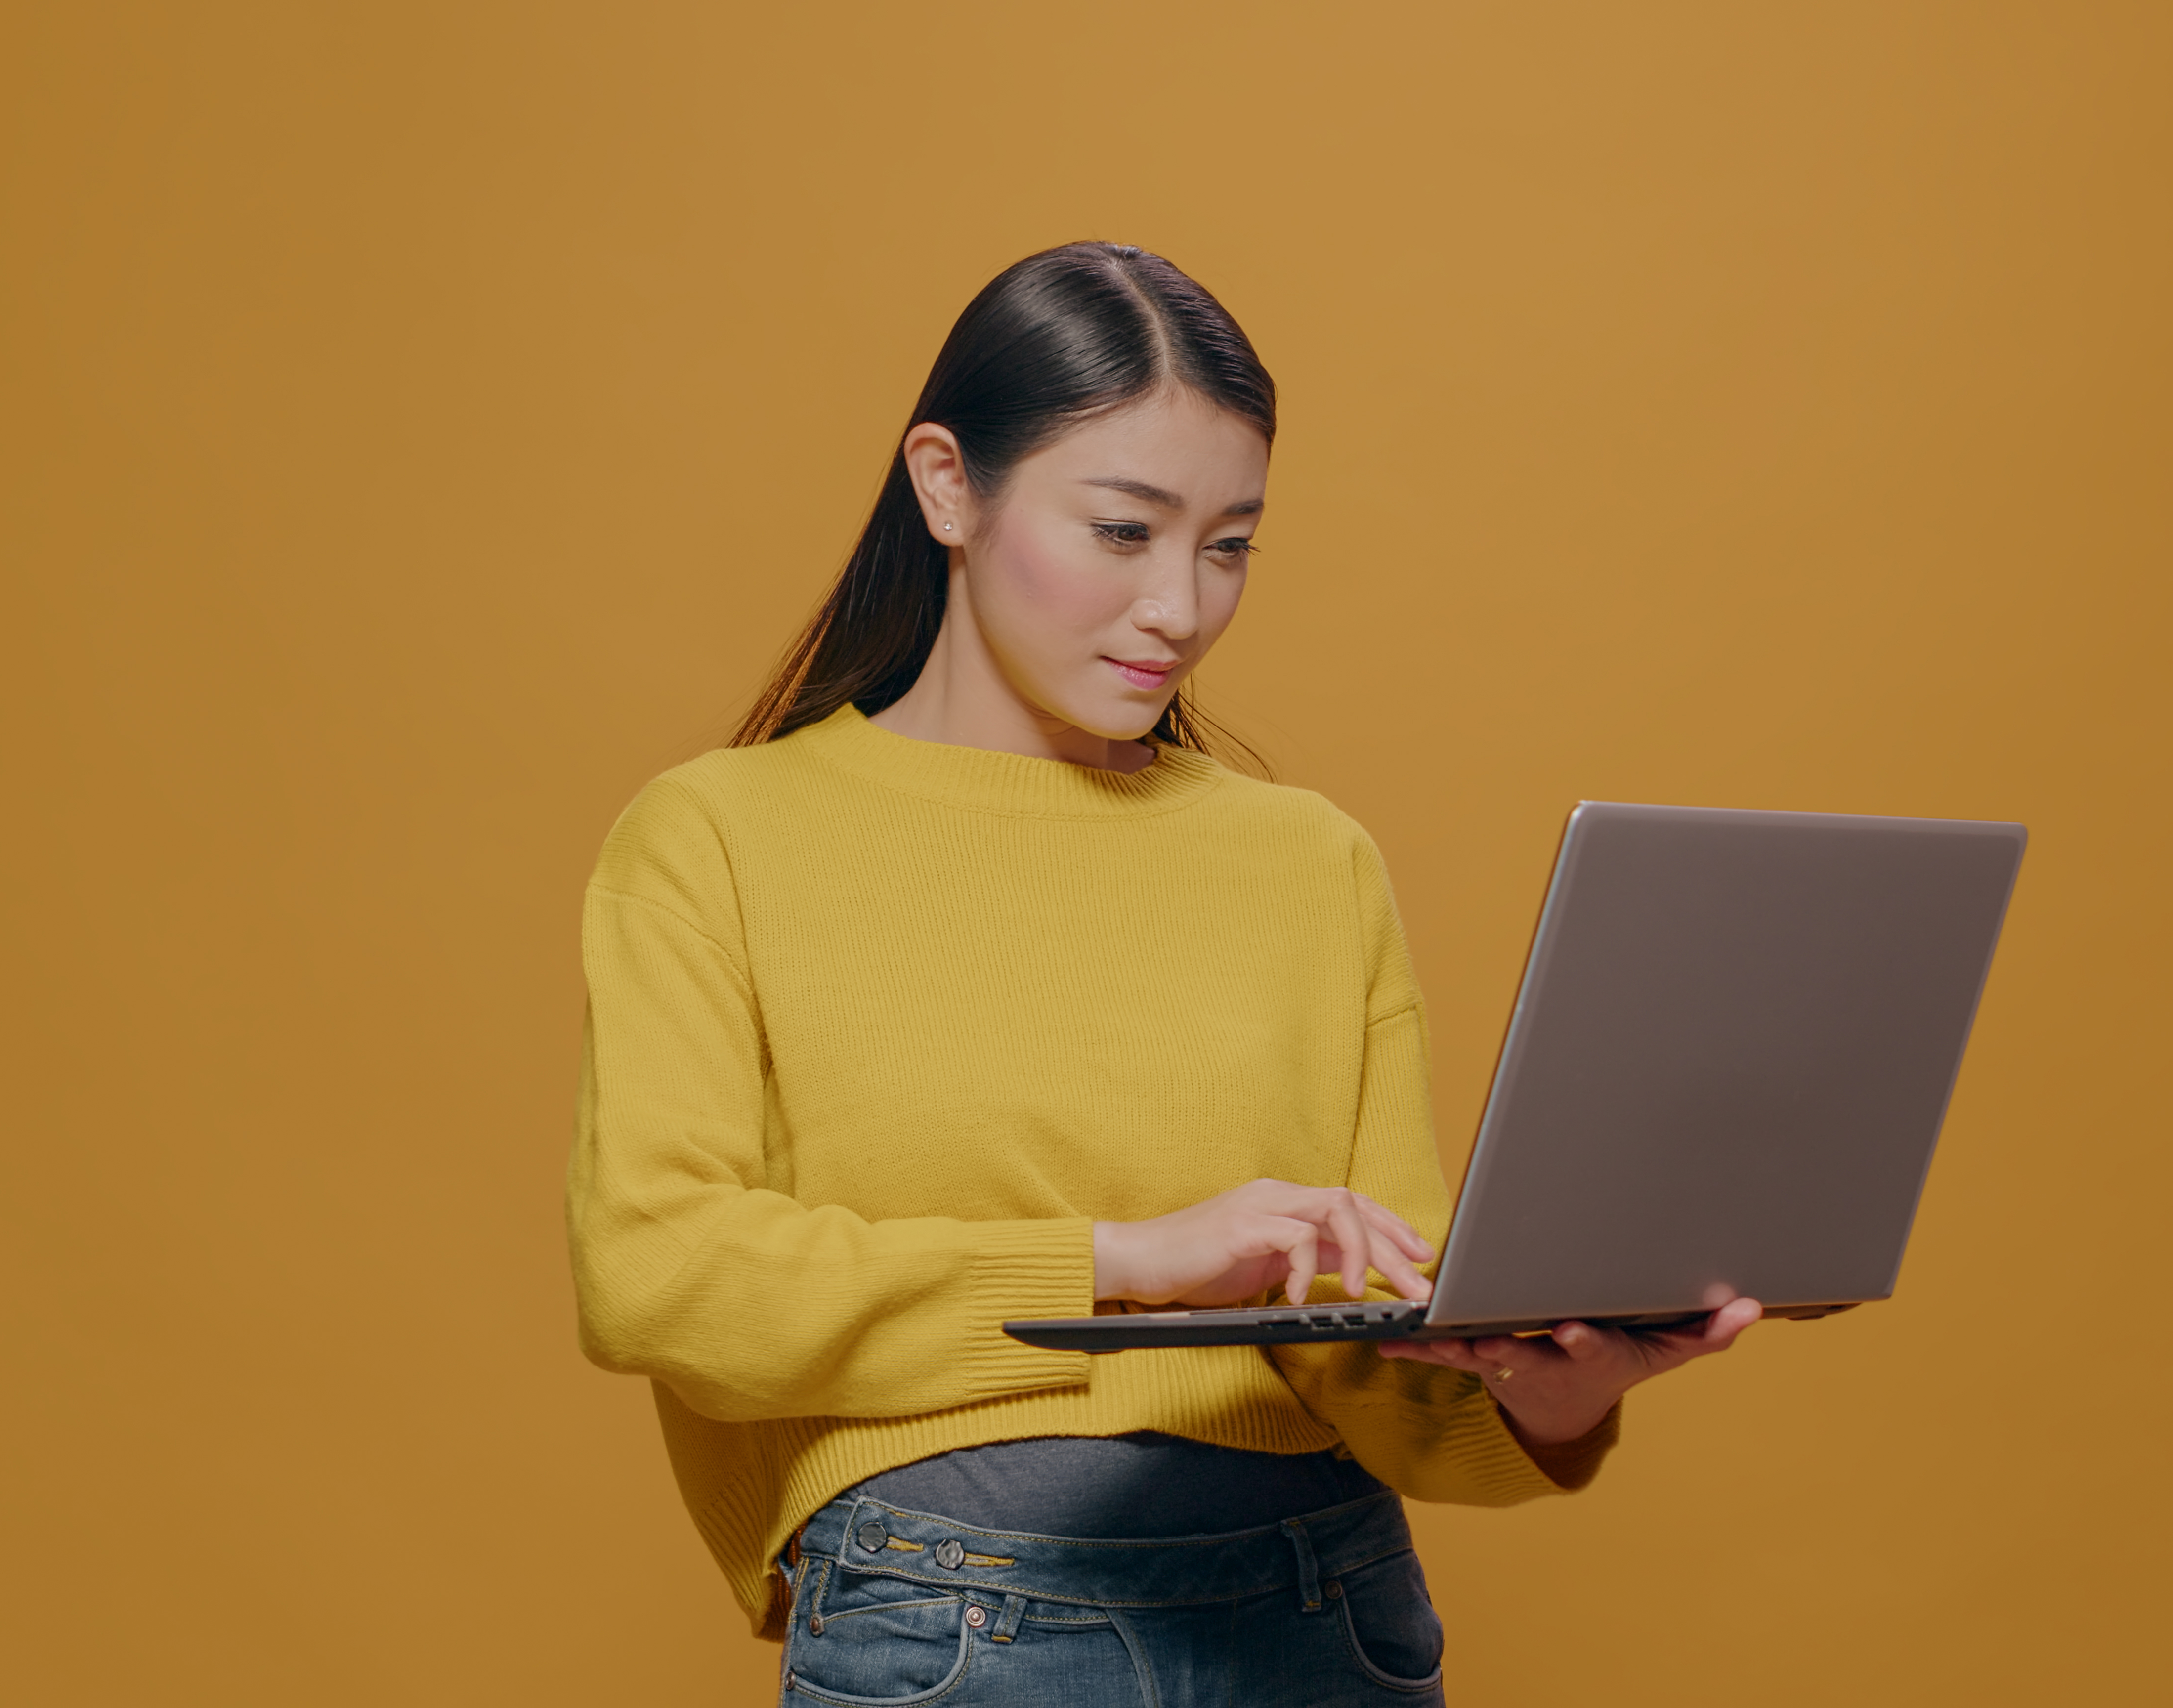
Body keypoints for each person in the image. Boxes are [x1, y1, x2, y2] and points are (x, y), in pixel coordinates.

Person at [569, 241, 1759, 1706]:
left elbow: (1373, 1340)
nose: (1180, 609)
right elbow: (658, 1276)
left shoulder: (1309, 863)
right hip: (954, 1622)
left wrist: (1551, 1400)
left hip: (1329, 1607)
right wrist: (1126, 1264)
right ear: (948, 484)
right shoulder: (718, 839)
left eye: (1230, 544)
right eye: (1126, 531)